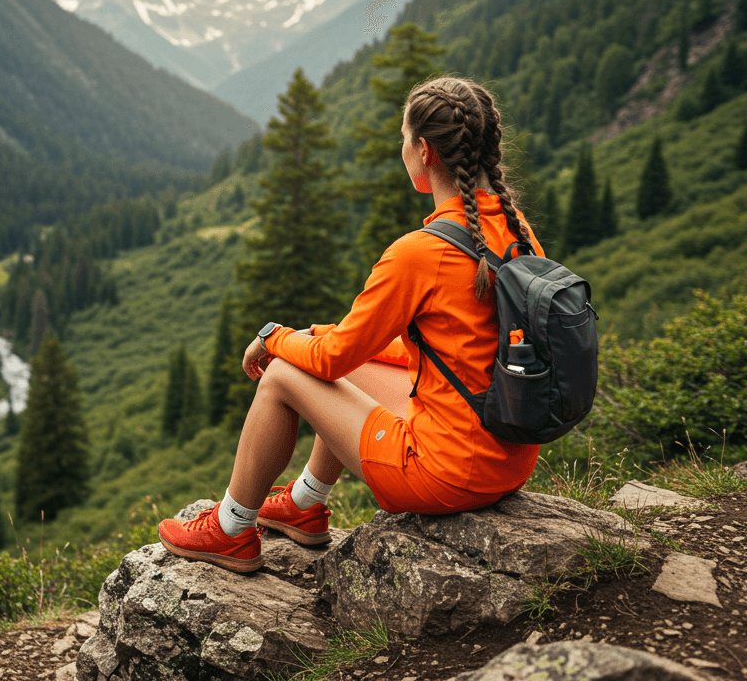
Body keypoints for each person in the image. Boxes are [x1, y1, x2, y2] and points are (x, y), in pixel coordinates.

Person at [157, 76, 544, 573]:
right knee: (342, 363)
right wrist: (316, 337)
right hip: (505, 457)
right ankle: (304, 503)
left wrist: (273, 338)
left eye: (404, 140)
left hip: (446, 475)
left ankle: (230, 529)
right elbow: (429, 350)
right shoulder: (516, 228)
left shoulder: (421, 253)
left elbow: (333, 359)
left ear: (424, 151)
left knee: (282, 376)